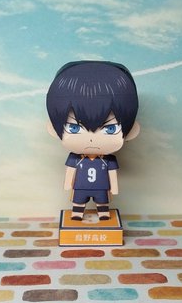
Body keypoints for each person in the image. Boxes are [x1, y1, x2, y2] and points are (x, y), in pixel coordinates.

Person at [46, 61, 140, 221]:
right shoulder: (75, 158)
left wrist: (114, 188)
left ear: (131, 131)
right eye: (74, 128)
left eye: (110, 129)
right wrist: (67, 184)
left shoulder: (108, 160)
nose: (91, 138)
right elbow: (70, 172)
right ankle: (77, 214)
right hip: (80, 188)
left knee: (103, 204)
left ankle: (103, 215)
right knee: (78, 203)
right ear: (54, 129)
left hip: (102, 189)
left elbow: (112, 175)